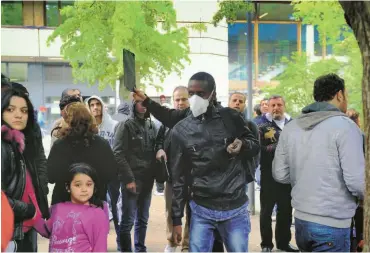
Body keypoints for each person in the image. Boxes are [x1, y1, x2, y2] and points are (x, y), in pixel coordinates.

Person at [168, 72, 259, 252]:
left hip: (235, 207)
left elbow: (255, 145)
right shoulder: (181, 130)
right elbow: (178, 179)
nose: (194, 98)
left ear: (213, 93)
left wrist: (243, 144)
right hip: (201, 209)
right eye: (191, 93)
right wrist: (176, 219)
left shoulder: (231, 117)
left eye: (200, 93)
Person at [272, 73, 365, 252]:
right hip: (333, 223)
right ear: (339, 95)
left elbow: (280, 174)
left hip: (301, 221)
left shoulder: (291, 127)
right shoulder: (346, 127)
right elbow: (358, 183)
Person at [1, 89, 49, 252]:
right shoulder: (3, 148)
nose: (18, 115)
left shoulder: (15, 143)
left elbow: (39, 161)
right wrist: (27, 209)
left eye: (24, 110)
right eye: (10, 109)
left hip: (23, 226)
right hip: (11, 230)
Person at [47, 102, 118, 205]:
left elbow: (50, 177)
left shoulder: (59, 146)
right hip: (94, 204)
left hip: (64, 206)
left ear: (67, 121)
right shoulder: (102, 144)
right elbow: (111, 174)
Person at [113, 100, 157, 252]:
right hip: (132, 180)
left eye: (146, 101)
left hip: (147, 180)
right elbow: (118, 153)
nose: (143, 105)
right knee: (127, 222)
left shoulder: (150, 125)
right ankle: (125, 250)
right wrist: (129, 179)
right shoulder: (125, 125)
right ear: (133, 105)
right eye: (139, 102)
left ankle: (140, 249)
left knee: (143, 220)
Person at [35, 163, 110, 252]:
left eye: (89, 184)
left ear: (94, 187)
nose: (84, 189)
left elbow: (100, 248)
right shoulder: (57, 208)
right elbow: (47, 230)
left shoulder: (97, 214)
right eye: (78, 185)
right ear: (68, 187)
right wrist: (32, 214)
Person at [257, 95, 297, 252]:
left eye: (279, 105)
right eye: (272, 105)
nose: (276, 108)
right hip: (268, 175)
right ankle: (266, 244)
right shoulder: (261, 125)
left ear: (284, 106)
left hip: (288, 176)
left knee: (286, 211)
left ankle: (283, 243)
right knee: (266, 212)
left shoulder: (292, 124)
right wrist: (275, 147)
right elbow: (257, 150)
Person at [155, 86, 191, 252]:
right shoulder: (166, 122)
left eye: (184, 99)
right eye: (177, 99)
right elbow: (158, 141)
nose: (181, 103)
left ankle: (187, 245)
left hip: (193, 177)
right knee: (171, 211)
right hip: (172, 177)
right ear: (173, 100)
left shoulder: (196, 120)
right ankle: (172, 243)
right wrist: (159, 149)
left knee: (192, 213)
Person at [85, 95, 120, 249]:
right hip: (94, 174)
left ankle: (121, 238)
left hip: (113, 172)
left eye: (97, 104)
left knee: (117, 204)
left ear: (102, 106)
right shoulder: (86, 127)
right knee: (97, 206)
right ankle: (99, 240)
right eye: (92, 105)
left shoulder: (114, 125)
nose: (95, 107)